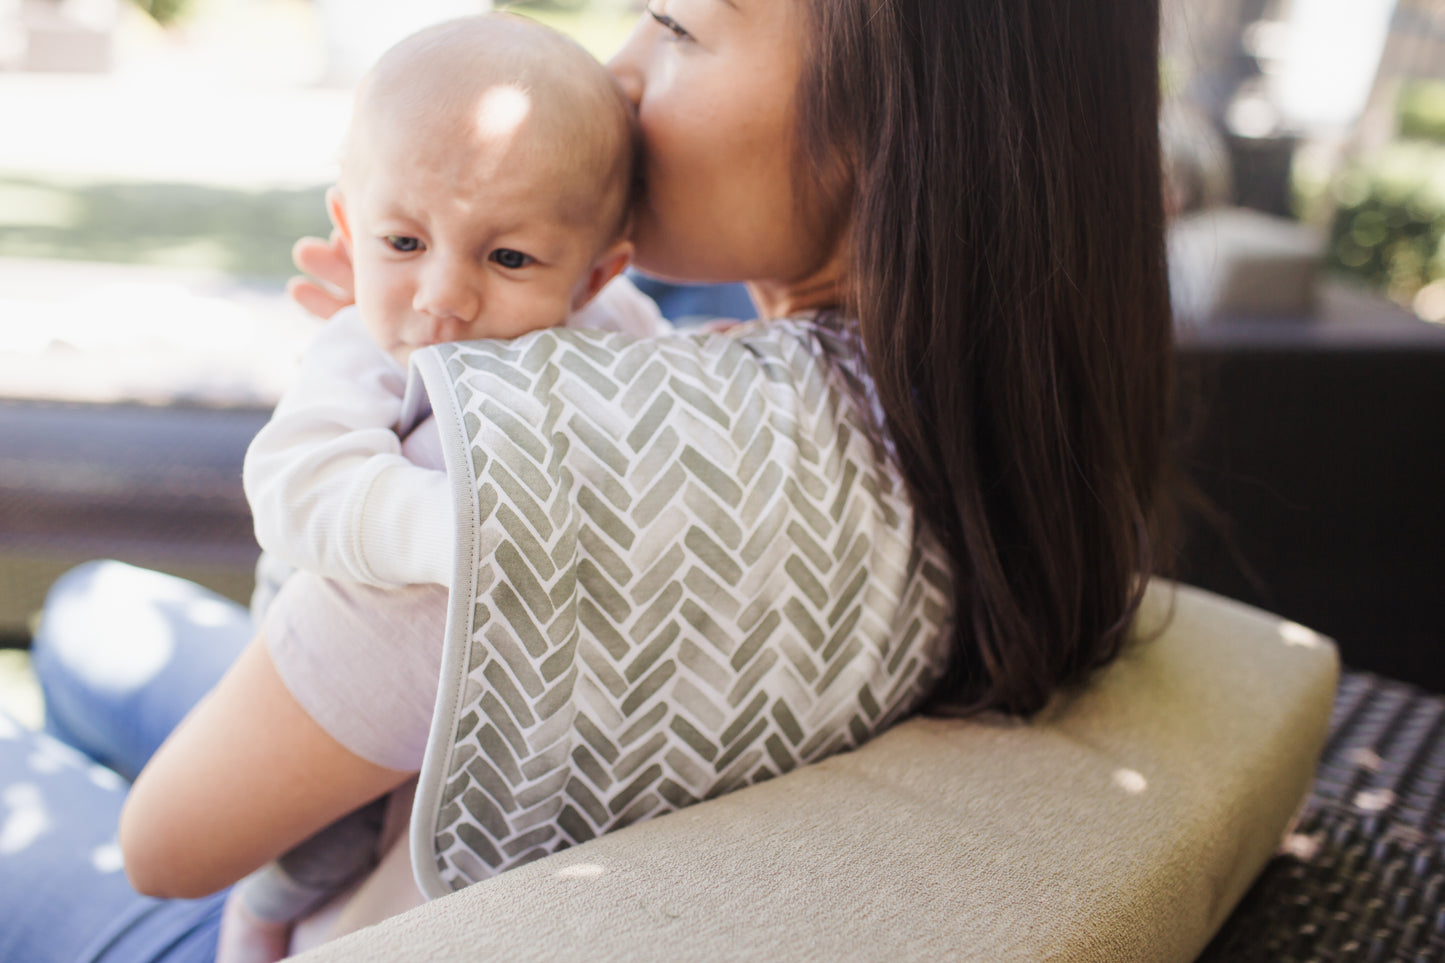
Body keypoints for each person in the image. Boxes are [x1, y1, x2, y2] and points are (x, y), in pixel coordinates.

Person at [0, 0, 1176, 959]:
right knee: (99, 605)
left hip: (315, 918)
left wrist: (394, 407)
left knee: (81, 655)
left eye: (673, 26)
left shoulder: (524, 477)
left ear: (888, 122)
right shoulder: (982, 448)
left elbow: (166, 849)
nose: (614, 72)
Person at [229, 15, 669, 961]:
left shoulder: (617, 324)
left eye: (508, 257)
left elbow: (652, 398)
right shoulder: (365, 348)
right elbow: (295, 484)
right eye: (401, 240)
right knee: (296, 867)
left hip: (482, 714)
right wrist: (456, 525)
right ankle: (248, 929)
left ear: (598, 274)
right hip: (308, 663)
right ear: (348, 229)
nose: (442, 295)